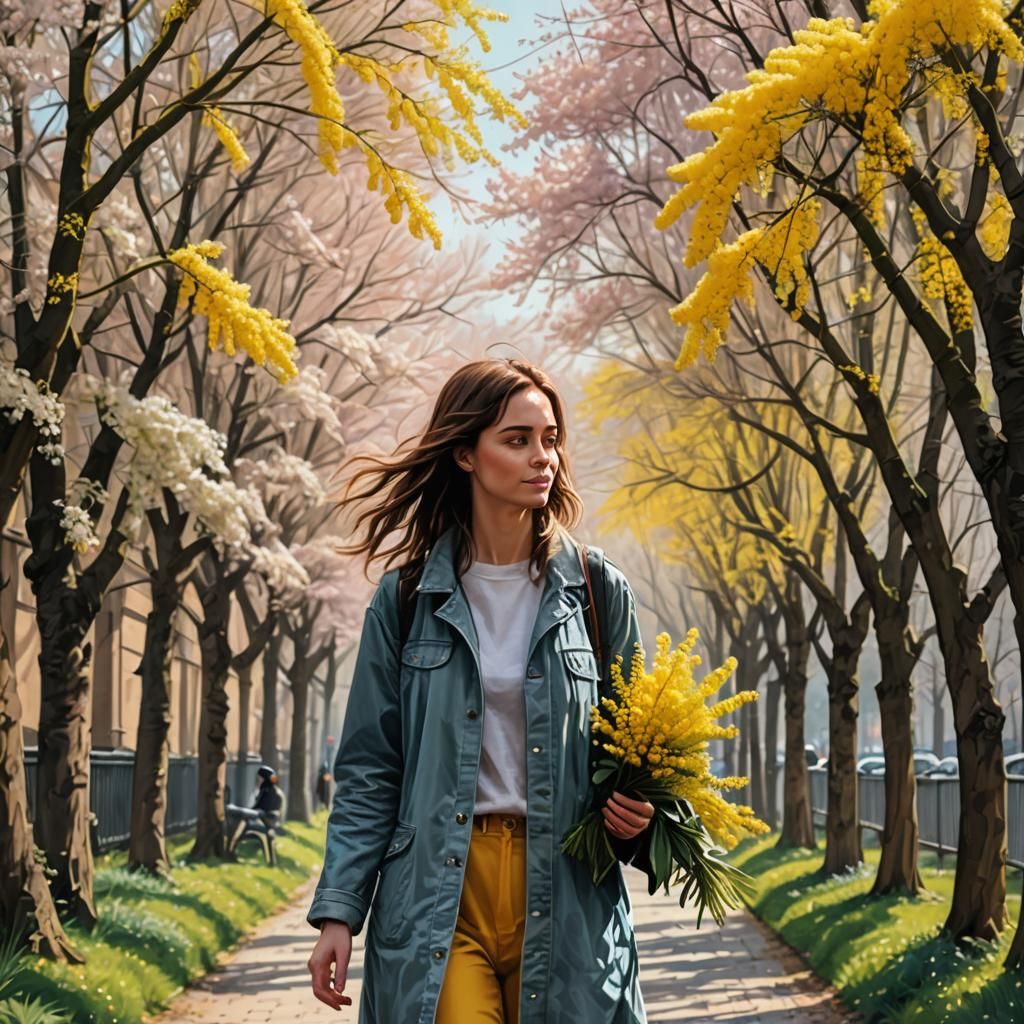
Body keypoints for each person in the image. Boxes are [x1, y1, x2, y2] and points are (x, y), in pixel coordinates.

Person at [306, 359, 655, 1023]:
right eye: (517, 440)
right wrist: (339, 913)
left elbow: (646, 747)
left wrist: (644, 812)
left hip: (569, 895)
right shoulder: (407, 598)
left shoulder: (596, 592)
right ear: (465, 453)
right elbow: (370, 770)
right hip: (439, 893)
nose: (542, 457)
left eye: (550, 439)